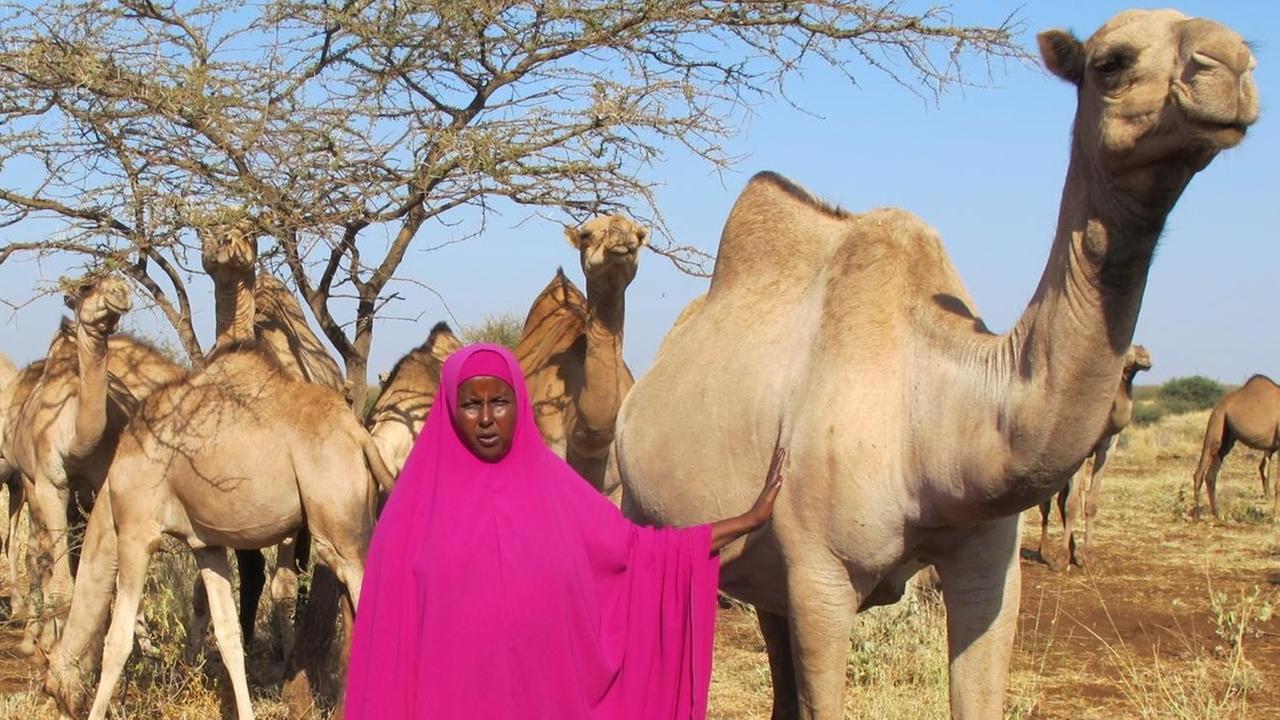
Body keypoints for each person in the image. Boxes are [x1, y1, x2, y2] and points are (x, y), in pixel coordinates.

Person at [345, 343, 784, 719]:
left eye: (498, 401)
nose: (485, 418)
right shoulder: (412, 511)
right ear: (449, 409)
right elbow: (386, 649)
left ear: (519, 402)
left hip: (546, 699)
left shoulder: (557, 492)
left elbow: (642, 554)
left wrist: (747, 520)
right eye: (470, 403)